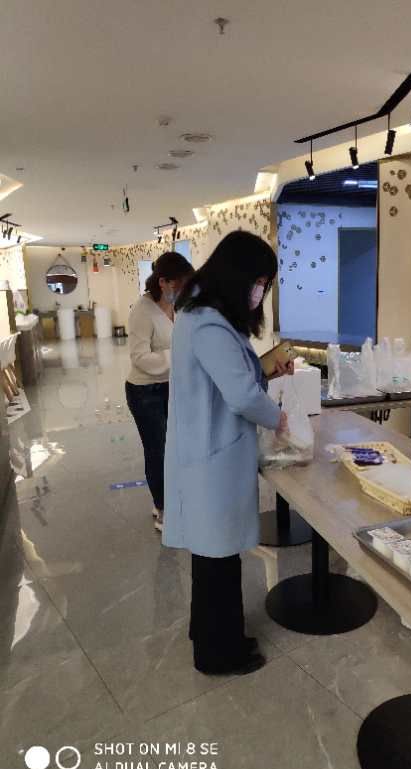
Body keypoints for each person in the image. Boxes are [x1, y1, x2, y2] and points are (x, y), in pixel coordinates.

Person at [163, 231, 293, 676]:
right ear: (239, 276)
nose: (261, 292)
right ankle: (220, 654)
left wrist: (268, 367)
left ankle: (210, 636)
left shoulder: (203, 315)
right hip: (211, 458)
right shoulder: (207, 324)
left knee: (213, 559)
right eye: (260, 282)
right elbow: (241, 394)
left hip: (209, 451)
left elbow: (236, 374)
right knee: (217, 561)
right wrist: (278, 419)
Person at [125, 251, 194, 532]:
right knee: (157, 450)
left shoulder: (176, 306)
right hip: (145, 391)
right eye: (179, 284)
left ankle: (172, 500)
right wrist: (175, 355)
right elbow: (139, 357)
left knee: (174, 447)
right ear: (163, 282)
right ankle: (163, 510)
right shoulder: (142, 311)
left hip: (170, 386)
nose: (183, 290)